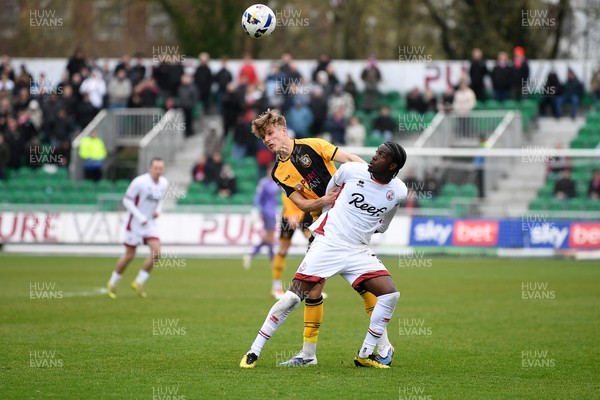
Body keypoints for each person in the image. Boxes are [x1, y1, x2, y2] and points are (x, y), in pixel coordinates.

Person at [240, 142, 408, 369]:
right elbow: (331, 194)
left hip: (358, 249)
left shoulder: (398, 191)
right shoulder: (351, 171)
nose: (374, 156)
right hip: (328, 242)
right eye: (376, 152)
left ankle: (366, 353)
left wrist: (365, 227)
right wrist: (330, 223)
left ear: (393, 165)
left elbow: (384, 224)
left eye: (381, 155)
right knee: (292, 298)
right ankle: (254, 351)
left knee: (390, 295)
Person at [106, 158, 169, 299]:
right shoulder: (140, 182)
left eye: (161, 168)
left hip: (150, 224)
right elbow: (127, 200)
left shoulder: (164, 183)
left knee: (157, 253)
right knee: (130, 255)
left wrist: (158, 210)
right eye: (156, 168)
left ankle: (139, 282)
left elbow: (160, 200)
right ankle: (113, 282)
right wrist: (140, 217)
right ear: (150, 168)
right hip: (134, 224)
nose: (159, 171)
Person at [270, 194, 312, 299]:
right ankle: (276, 287)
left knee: (315, 246)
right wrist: (292, 214)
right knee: (283, 251)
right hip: (288, 215)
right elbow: (286, 193)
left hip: (306, 213)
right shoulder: (289, 178)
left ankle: (313, 289)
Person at [244, 165, 279, 269]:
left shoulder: (275, 183)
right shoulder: (263, 183)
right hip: (267, 212)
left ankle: (252, 255)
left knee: (269, 238)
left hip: (272, 212)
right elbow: (257, 196)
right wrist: (255, 208)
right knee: (270, 237)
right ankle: (271, 259)